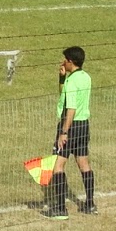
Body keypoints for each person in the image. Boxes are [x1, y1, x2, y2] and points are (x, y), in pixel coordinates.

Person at [43, 46, 95, 219]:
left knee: (57, 165)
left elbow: (70, 107)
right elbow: (64, 95)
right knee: (84, 164)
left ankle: (60, 209)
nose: (63, 62)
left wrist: (64, 132)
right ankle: (90, 204)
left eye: (65, 59)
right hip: (83, 125)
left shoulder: (72, 82)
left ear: (71, 61)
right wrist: (61, 77)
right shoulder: (85, 77)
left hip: (69, 125)